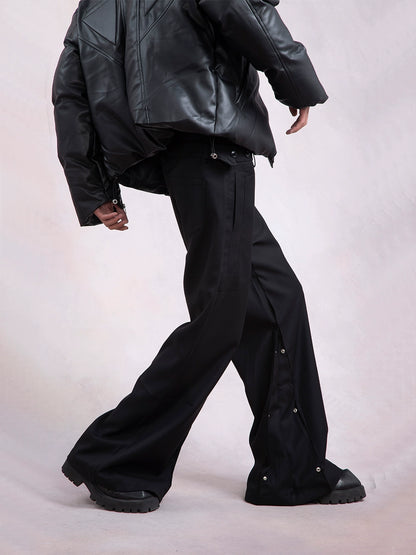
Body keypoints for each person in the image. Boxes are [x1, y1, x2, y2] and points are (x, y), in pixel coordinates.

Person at [52, 0, 366, 513]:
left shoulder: (94, 4)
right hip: (213, 139)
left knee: (277, 297)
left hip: (184, 154)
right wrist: (295, 81)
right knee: (220, 316)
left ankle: (291, 470)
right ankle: (113, 460)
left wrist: (93, 185)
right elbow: (242, 7)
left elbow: (71, 91)